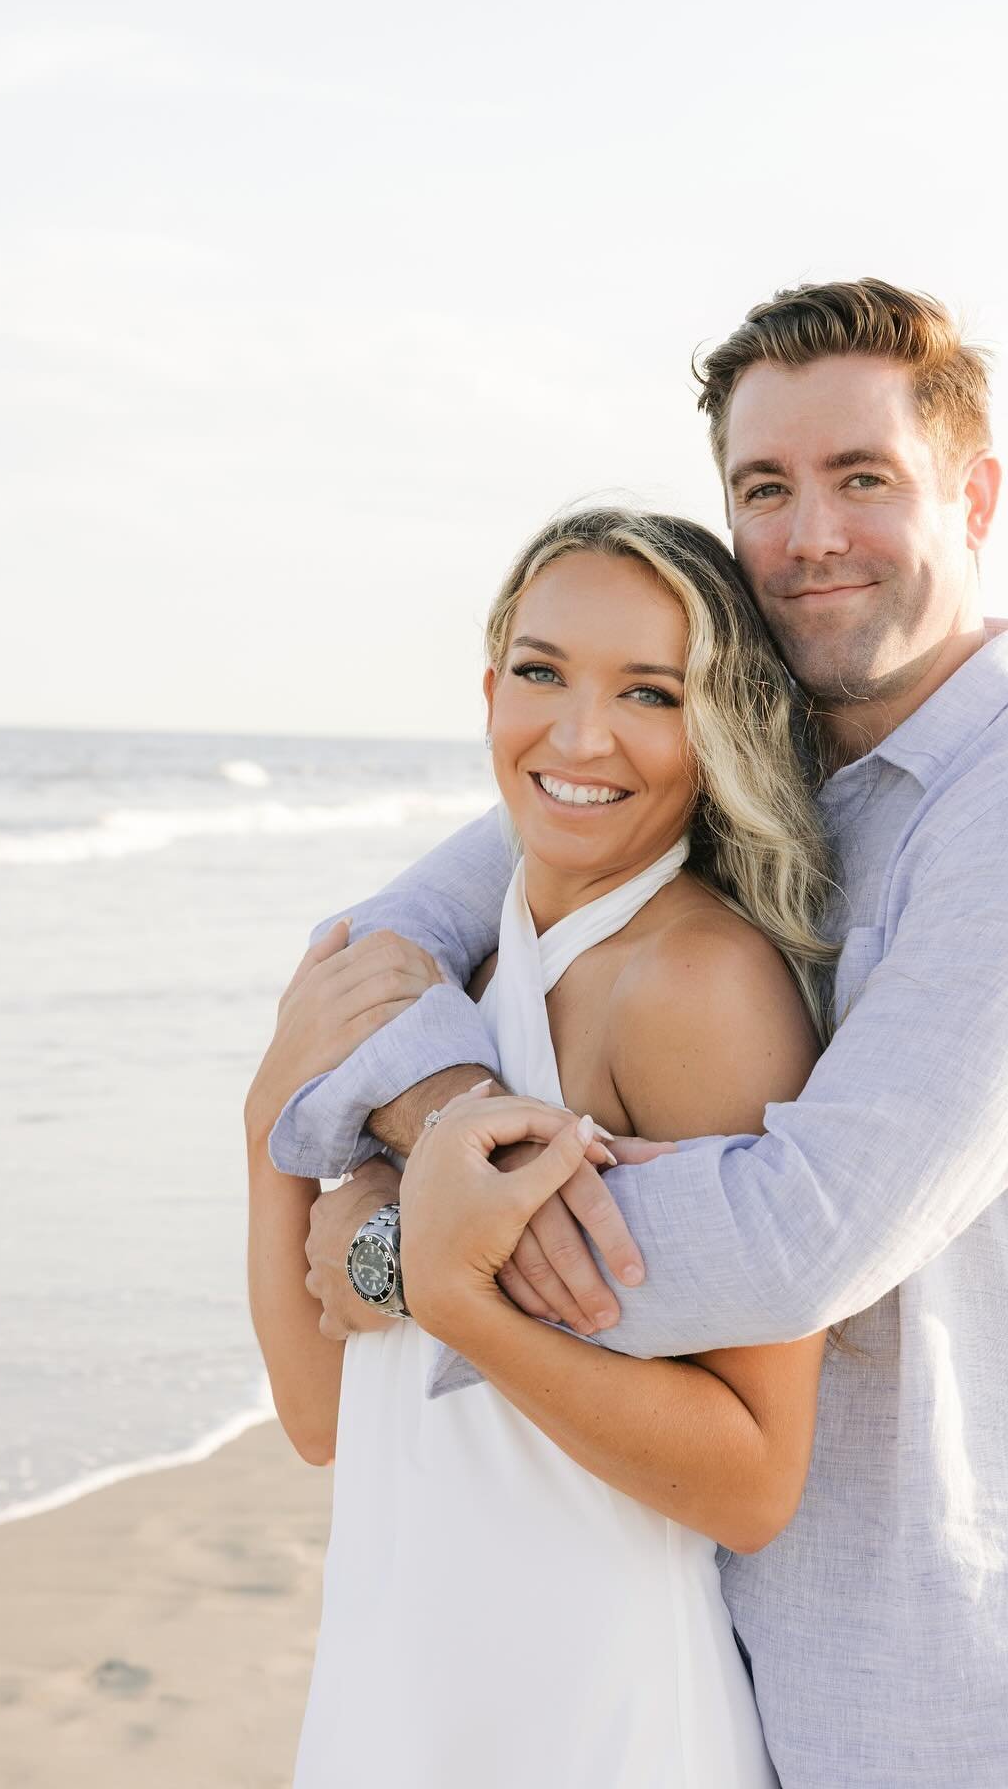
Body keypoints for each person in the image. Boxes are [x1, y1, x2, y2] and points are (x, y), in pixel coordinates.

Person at [271, 279, 1008, 1789]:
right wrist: (440, 1127)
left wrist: (426, 1253)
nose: (811, 533)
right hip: (711, 1631)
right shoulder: (728, 755)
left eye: (864, 479)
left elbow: (797, 1238)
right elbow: (367, 961)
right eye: (767, 488)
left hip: (951, 1674)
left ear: (978, 498)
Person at [245, 509, 844, 1786]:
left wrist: (456, 1296)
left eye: (648, 691)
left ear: (717, 726)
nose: (580, 737)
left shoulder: (696, 987)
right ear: (487, 690)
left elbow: (754, 1482)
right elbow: (317, 1419)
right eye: (541, 672)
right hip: (397, 1668)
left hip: (589, 1705)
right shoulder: (451, 967)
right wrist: (268, 1129)